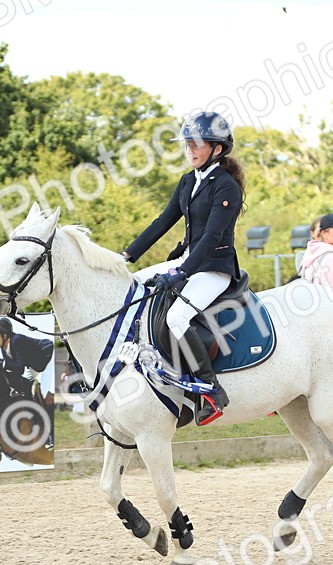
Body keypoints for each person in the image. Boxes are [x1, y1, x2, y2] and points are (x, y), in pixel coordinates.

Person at [121, 111, 246, 425]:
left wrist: (181, 272)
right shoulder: (189, 180)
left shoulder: (226, 185)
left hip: (214, 267)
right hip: (186, 260)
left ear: (216, 149)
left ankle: (210, 390)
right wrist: (125, 257)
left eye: (196, 144)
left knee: (177, 317)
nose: (190, 149)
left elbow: (213, 236)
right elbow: (162, 222)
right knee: (132, 285)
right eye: (187, 143)